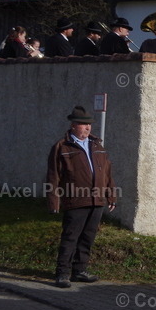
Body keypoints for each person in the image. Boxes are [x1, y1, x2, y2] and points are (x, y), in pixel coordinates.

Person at [46, 105, 118, 288]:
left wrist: (111, 196)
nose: (87, 128)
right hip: (76, 200)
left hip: (96, 199)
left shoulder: (97, 146)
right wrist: (54, 201)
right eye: (83, 125)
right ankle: (63, 273)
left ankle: (80, 270)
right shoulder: (62, 147)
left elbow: (107, 174)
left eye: (89, 125)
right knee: (70, 236)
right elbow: (54, 176)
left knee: (88, 237)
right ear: (73, 125)